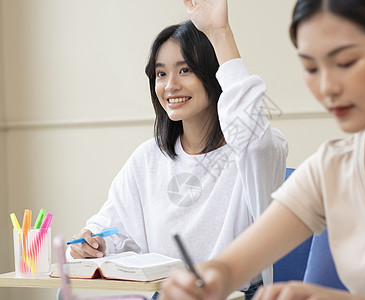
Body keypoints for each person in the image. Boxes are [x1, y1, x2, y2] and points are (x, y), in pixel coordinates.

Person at [160, 0, 365, 299]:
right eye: (311, 67)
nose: (327, 87)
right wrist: (208, 279)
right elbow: (231, 268)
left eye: (346, 62)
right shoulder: (333, 167)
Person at [67, 7, 288, 300]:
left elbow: (254, 139)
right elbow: (109, 229)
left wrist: (220, 33)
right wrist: (91, 243)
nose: (170, 85)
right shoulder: (148, 158)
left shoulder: (255, 151)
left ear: (214, 75)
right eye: (161, 73)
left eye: (185, 70)